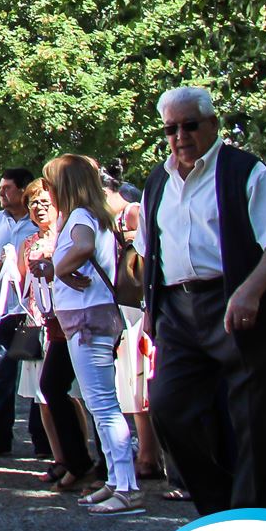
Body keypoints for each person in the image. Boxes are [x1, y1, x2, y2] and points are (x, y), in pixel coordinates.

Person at [140, 86, 266, 514]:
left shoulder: (244, 171)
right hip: (177, 310)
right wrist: (148, 310)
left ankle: (254, 518)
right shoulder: (158, 181)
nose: (180, 136)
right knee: (167, 407)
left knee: (253, 418)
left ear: (212, 124)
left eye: (190, 125)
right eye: (171, 128)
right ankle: (219, 506)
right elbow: (149, 253)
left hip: (238, 302)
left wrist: (250, 291)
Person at [45, 154, 143, 517]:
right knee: (98, 403)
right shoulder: (90, 216)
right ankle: (117, 481)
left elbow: (83, 247)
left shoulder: (81, 217)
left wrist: (60, 266)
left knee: (103, 405)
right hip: (87, 318)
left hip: (89, 321)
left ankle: (128, 486)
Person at [100, 162, 163, 481]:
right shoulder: (111, 220)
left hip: (136, 305)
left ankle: (150, 454)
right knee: (128, 380)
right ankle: (146, 451)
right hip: (123, 306)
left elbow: (146, 254)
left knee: (139, 379)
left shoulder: (132, 212)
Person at [0, 166, 36, 457]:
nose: (1, 193)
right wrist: (0, 267)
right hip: (2, 309)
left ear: (23, 190)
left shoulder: (39, 221)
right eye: (0, 188)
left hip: (33, 311)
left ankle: (43, 441)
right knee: (1, 373)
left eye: (7, 188)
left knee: (38, 372)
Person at [15, 179, 61, 465]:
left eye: (45, 202)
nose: (39, 208)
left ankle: (79, 458)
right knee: (41, 396)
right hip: (35, 322)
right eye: (33, 203)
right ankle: (59, 458)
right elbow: (21, 282)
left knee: (70, 394)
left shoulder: (67, 235)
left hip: (63, 322)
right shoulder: (28, 242)